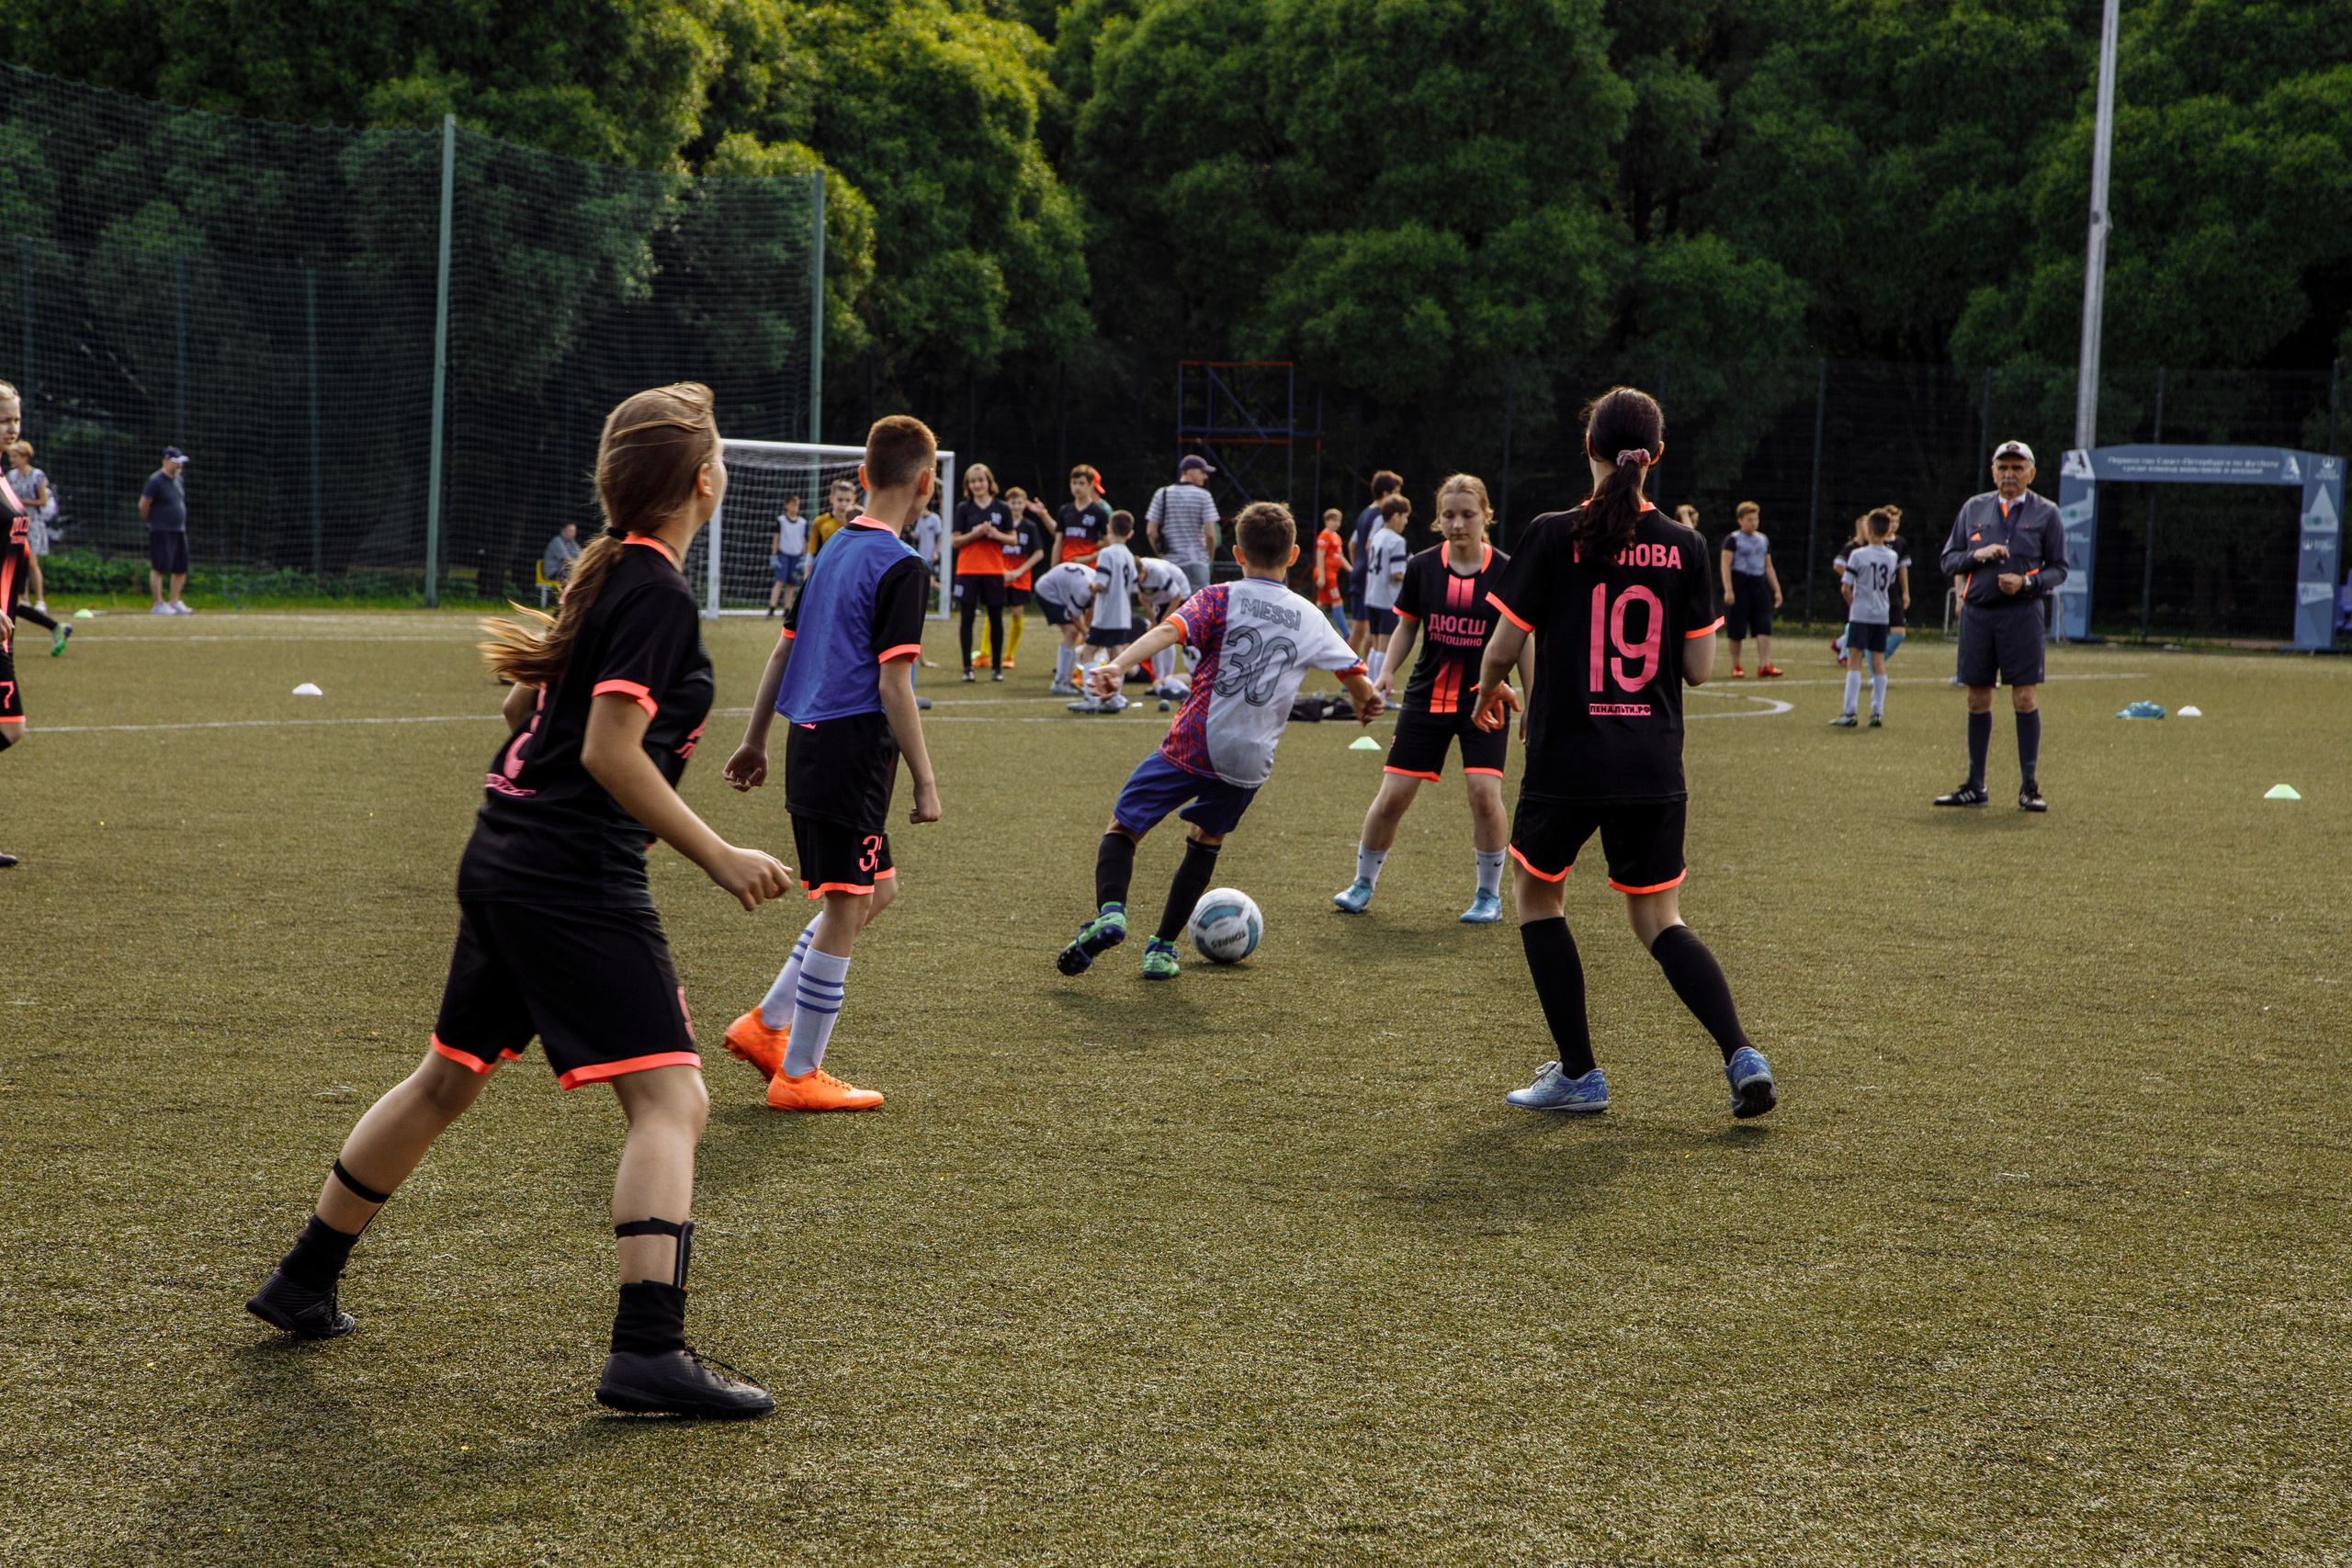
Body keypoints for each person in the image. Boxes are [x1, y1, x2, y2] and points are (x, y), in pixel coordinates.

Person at [243, 382, 789, 1418]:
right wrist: (719, 853)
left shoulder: (603, 571)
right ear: (706, 482)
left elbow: (517, 704)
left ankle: (302, 1279)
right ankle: (647, 1352)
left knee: (446, 1079)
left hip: (504, 853)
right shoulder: (659, 593)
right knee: (673, 1101)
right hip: (570, 876)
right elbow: (606, 749)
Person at [1470, 386, 1777, 1120]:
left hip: (1568, 757)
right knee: (1658, 919)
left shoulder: (1551, 532)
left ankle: (1579, 1073)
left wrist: (1487, 690)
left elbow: (1504, 647)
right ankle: (1741, 1053)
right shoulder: (1686, 544)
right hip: (1650, 762)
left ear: (1590, 449)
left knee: (1538, 897)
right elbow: (1700, 669)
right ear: (1656, 455)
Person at [720, 415, 944, 1113]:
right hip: (851, 753)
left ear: (865, 479)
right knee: (849, 903)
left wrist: (756, 739)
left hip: (807, 743)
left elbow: (782, 652)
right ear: (925, 483)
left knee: (876, 891)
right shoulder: (903, 565)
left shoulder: (830, 550)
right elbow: (893, 685)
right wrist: (926, 779)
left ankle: (766, 1025)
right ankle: (799, 1072)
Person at [1057, 502, 1383, 981]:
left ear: (1237, 552)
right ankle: (1161, 948)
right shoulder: (1310, 616)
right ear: (1293, 555)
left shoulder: (1219, 596)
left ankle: (1111, 912)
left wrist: (1117, 666)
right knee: (1205, 842)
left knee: (1124, 827)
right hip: (1250, 757)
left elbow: (1170, 630)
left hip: (1194, 739)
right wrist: (1366, 702)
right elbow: (1356, 677)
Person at [1333, 474, 1530, 924]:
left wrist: (1532, 703)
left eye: (1467, 515)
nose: (1458, 524)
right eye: (1448, 515)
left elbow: (1525, 640)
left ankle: (1488, 895)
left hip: (1485, 700)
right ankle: (1362, 884)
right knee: (1393, 797)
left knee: (1484, 794)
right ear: (1437, 520)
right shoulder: (1422, 566)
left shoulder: (1505, 570)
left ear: (1487, 517)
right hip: (1427, 699)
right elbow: (1406, 625)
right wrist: (1385, 673)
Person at [1935, 440, 2066, 812]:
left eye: (2017, 467)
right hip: (1978, 614)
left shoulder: (2047, 513)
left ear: (2031, 472)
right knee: (1977, 696)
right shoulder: (1973, 508)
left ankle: (2029, 786)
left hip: (2022, 615)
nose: (2010, 474)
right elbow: (1948, 561)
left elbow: (2059, 568)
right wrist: (1977, 555)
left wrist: (2026, 582)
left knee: (2024, 696)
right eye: (2003, 467)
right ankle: (1975, 785)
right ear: (1993, 471)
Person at [1831, 509, 1901, 728]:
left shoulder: (1858, 555)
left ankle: (1850, 712)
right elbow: (1889, 583)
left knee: (1854, 660)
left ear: (1868, 530)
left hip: (1861, 614)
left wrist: (1855, 604)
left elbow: (1845, 587)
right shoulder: (1892, 556)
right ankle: (1877, 713)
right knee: (1878, 661)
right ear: (1888, 530)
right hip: (1881, 614)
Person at [0, 383, 31, 864]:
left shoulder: (5, 475)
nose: (12, 427)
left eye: (16, 419)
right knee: (10, 728)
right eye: (4, 419)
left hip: (4, 624)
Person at [1069, 511, 1141, 713]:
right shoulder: (1128, 554)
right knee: (1117, 655)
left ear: (1108, 529)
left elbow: (1101, 584)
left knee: (1088, 651)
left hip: (1106, 614)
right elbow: (1134, 586)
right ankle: (1114, 698)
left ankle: (1091, 698)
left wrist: (1092, 586)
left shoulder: (1107, 553)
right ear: (1130, 534)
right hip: (1123, 614)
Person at [950, 464, 1014, 682]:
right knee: (966, 618)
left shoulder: (1002, 508)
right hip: (968, 570)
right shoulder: (964, 508)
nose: (977, 484)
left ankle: (997, 668)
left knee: (996, 618)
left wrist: (995, 534)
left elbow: (1012, 538)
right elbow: (955, 541)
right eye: (972, 481)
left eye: (981, 480)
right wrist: (975, 534)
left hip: (993, 570)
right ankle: (967, 668)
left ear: (989, 482)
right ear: (968, 485)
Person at [975, 485, 1050, 671]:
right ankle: (984, 654)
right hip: (998, 575)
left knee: (1017, 612)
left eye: (1019, 503)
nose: (1015, 506)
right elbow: (988, 551)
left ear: (1024, 505)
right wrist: (1000, 570)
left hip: (1020, 578)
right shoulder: (999, 526)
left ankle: (1009, 656)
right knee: (993, 612)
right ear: (1006, 505)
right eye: (1012, 503)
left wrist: (1019, 571)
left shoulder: (1030, 527)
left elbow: (1039, 553)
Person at [5, 441, 64, 655]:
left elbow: (43, 501)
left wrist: (21, 503)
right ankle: (54, 626)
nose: (12, 460)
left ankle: (41, 605)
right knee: (12, 601)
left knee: (14, 594)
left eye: (16, 456)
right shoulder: (9, 476)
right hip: (11, 531)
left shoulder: (37, 475)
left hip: (24, 529)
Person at [1717, 502, 1782, 678]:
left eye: (1756, 519)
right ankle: (1736, 665)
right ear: (1740, 520)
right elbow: (1725, 565)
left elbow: (1768, 566)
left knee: (1764, 625)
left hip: (1758, 586)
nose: (1753, 523)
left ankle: (1764, 665)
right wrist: (1728, 589)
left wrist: (1776, 589)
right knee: (1737, 629)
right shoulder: (1733, 539)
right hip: (1740, 585)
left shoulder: (1763, 539)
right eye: (1749, 519)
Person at [1145, 455, 1221, 594]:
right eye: (1203, 472)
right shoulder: (1204, 496)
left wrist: (1160, 555)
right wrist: (1208, 558)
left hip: (1170, 562)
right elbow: (1210, 534)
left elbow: (1151, 532)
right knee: (1199, 611)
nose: (1205, 477)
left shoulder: (1162, 494)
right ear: (1190, 471)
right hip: (1196, 561)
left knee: (1173, 609)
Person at [1348, 471, 1403, 657]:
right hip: (1370, 577)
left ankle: (1347, 672)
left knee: (1358, 628)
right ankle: (1366, 674)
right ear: (1386, 494)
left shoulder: (1365, 513)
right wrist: (1373, 570)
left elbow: (1352, 544)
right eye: (1397, 491)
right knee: (1373, 630)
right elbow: (1370, 545)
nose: (1399, 496)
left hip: (1359, 572)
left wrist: (1357, 566)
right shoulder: (1381, 516)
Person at [1360, 494, 1411, 685]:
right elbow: (1397, 574)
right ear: (1396, 516)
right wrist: (1413, 576)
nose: (1405, 522)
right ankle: (1379, 691)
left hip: (1372, 596)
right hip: (1387, 599)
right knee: (1384, 647)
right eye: (1405, 517)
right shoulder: (1397, 541)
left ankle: (1371, 685)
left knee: (1374, 645)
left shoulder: (1378, 536)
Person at [1034, 558, 1097, 695]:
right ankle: (1061, 682)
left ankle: (1066, 680)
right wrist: (1086, 633)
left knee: (1074, 631)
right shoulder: (1084, 591)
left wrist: (1087, 632)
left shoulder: (1096, 585)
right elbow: (1075, 615)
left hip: (1063, 588)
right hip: (1048, 591)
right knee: (1072, 632)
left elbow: (1090, 610)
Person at [140, 446, 191, 615]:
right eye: (176, 462)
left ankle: (175, 601)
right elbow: (144, 505)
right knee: (160, 567)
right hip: (161, 530)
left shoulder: (179, 480)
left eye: (180, 463)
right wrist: (154, 521)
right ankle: (159, 604)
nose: (179, 466)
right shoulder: (155, 481)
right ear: (166, 460)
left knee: (181, 567)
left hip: (179, 530)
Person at [1136, 554, 1193, 694]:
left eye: (1138, 579)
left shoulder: (1157, 572)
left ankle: (1167, 679)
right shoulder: (1133, 574)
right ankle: (1158, 680)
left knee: (1166, 636)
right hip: (1160, 597)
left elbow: (1176, 595)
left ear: (1143, 571)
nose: (1136, 582)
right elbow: (1142, 597)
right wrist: (1154, 621)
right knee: (1154, 635)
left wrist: (1165, 621)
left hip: (1179, 596)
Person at [1054, 464, 1113, 570]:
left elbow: (1109, 546)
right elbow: (1058, 543)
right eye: (1074, 483)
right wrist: (1053, 570)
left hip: (1089, 570)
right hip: (1066, 567)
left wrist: (1089, 558)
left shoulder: (1099, 512)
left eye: (1081, 483)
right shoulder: (1064, 511)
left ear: (1091, 485)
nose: (1077, 487)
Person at [1311, 508, 1350, 636]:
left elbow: (1341, 557)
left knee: (1321, 604)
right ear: (1326, 521)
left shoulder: (1337, 537)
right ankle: (1346, 634)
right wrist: (1321, 576)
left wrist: (1352, 570)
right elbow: (1320, 554)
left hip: (1332, 574)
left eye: (1338, 521)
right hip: (1327, 575)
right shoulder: (1325, 535)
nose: (1336, 524)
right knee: (1337, 601)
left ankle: (1313, 632)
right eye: (1333, 521)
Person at [768, 494, 808, 616]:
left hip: (796, 556)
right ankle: (772, 608)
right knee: (779, 582)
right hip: (783, 555)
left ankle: (787, 609)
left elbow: (804, 540)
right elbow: (776, 538)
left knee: (791, 584)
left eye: (797, 505)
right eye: (792, 504)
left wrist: (803, 557)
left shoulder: (802, 523)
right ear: (786, 505)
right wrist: (774, 555)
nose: (795, 507)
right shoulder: (781, 520)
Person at [810, 477, 859, 558]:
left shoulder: (856, 524)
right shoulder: (820, 521)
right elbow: (811, 554)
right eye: (840, 500)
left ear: (853, 500)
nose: (844, 504)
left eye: (848, 500)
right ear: (831, 498)